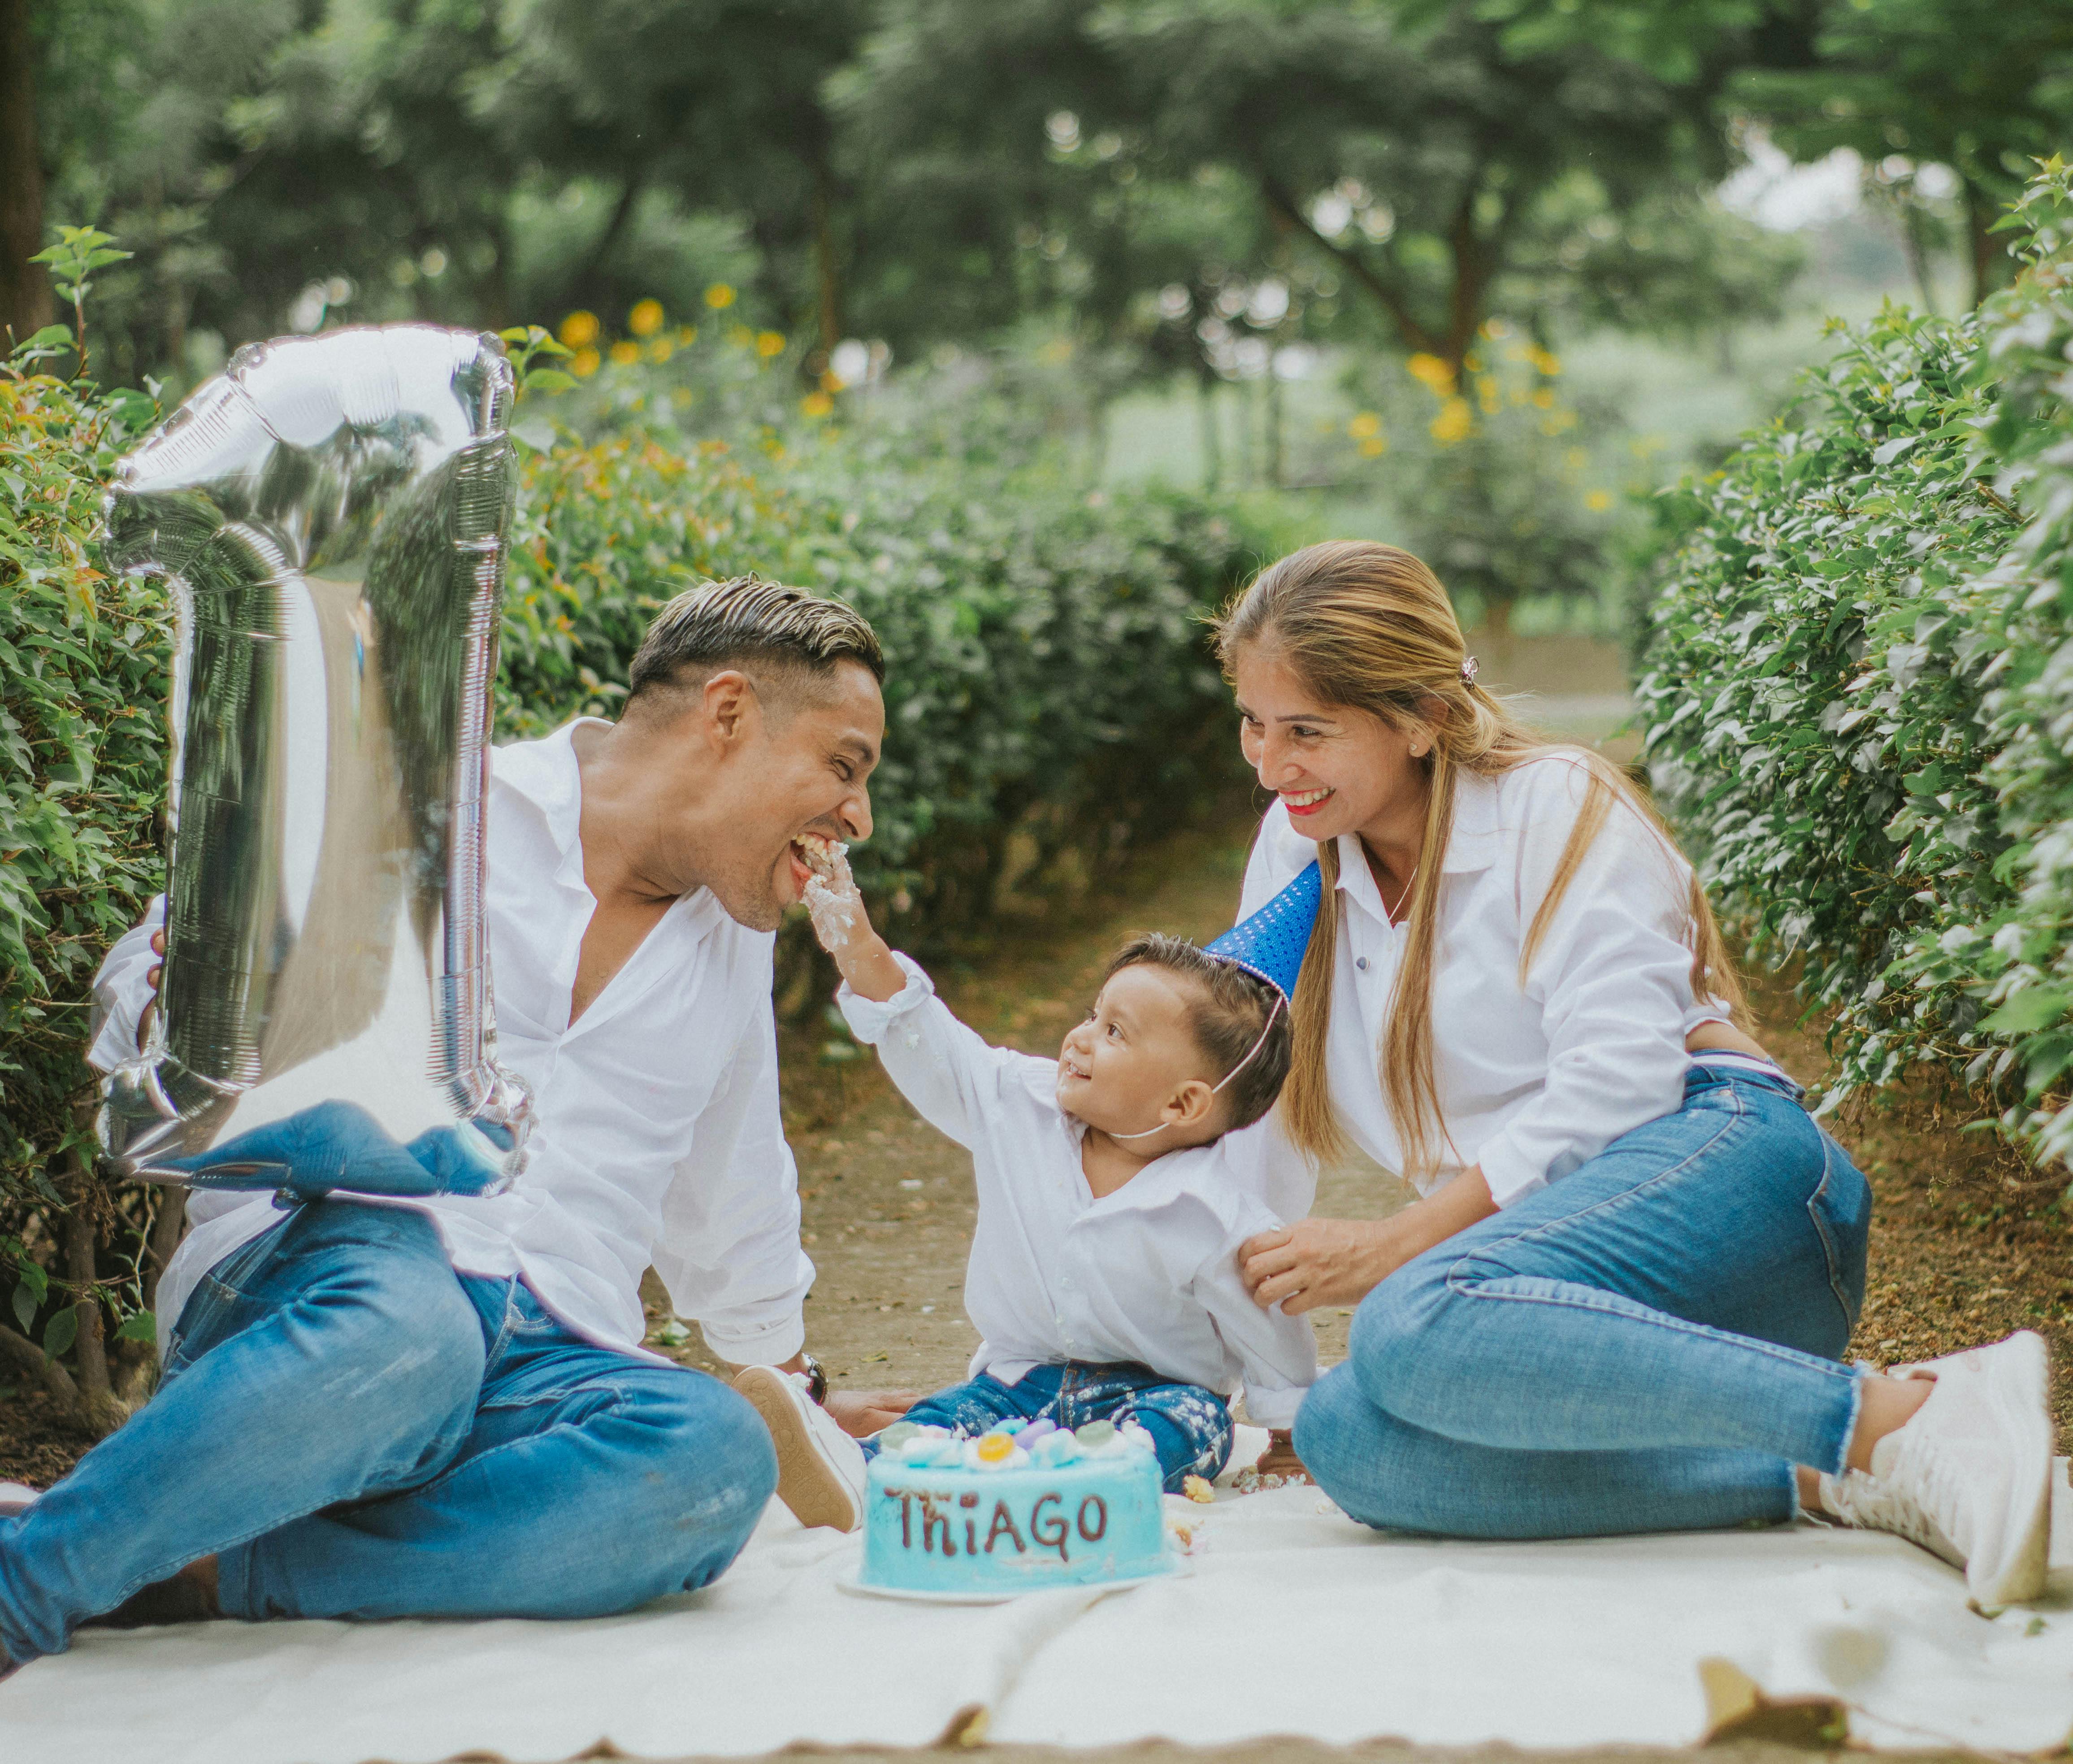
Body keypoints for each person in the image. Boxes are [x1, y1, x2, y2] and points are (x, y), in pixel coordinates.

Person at [0, 578, 915, 1669]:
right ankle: (30, 1577)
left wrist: (800, 1393)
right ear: (726, 714)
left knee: (709, 1457)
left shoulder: (732, 942)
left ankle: (206, 1569)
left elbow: (732, 1190)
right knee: (420, 1332)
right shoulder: (430, 806)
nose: (856, 813)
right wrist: (181, 1003)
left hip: (548, 1350)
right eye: (843, 765)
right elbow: (150, 976)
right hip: (330, 1283)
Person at [1219, 540, 2056, 1609]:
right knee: (1349, 1438)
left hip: (1734, 1183)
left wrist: (1395, 1245)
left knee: (1407, 1313)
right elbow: (1247, 1109)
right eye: (1251, 721)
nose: (1267, 761)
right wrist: (1188, 1363)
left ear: (1420, 716)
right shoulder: (1297, 853)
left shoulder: (1551, 803)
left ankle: (1909, 1413)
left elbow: (1615, 1080)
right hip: (1571, 1314)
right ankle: (1829, 1467)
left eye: (1305, 730)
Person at [731, 839, 1318, 1529]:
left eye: (1115, 1032)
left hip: (1155, 1392)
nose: (1079, 1038)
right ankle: (852, 1464)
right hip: (1017, 1382)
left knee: (1193, 1428)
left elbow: (1269, 1323)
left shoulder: (1216, 1216)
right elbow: (934, 1043)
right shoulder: (1022, 1104)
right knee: (941, 1421)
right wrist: (858, 942)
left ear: (1182, 1105)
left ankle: (1079, 1480)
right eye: (1093, 1014)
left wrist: (1286, 1431)